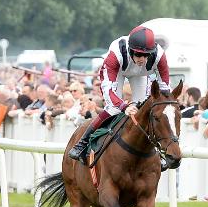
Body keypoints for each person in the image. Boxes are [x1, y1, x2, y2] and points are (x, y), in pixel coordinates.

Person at [68, 25, 171, 161]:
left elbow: (165, 88)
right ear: (130, 50)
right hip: (118, 72)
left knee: (142, 110)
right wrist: (123, 106)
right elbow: (108, 90)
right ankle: (82, 142)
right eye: (138, 54)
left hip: (140, 75)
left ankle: (157, 150)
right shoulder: (115, 54)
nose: (142, 59)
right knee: (113, 109)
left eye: (146, 55)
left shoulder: (160, 55)